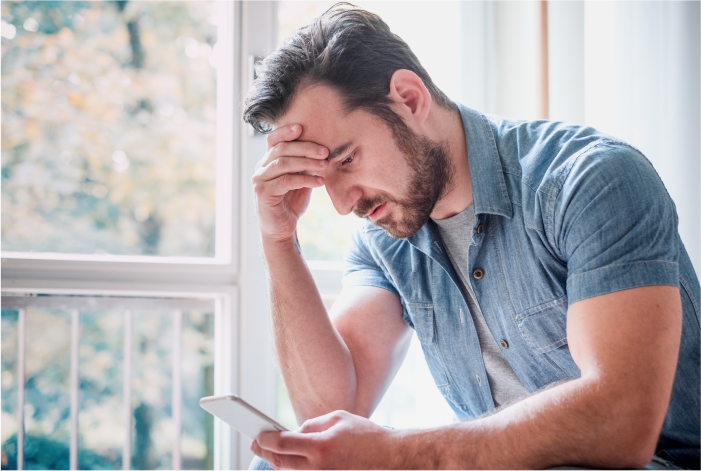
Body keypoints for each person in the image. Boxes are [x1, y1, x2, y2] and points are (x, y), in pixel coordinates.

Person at [243, 4, 700, 469]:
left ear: (409, 97)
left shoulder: (588, 182)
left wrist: (396, 454)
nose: (343, 204)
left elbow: (619, 421)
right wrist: (278, 239)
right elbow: (329, 414)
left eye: (346, 160)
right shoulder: (388, 236)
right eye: (322, 180)